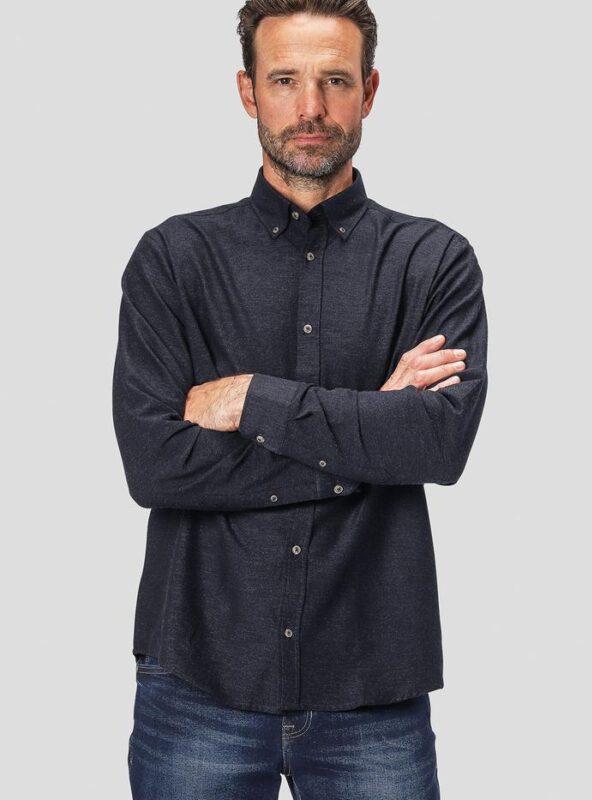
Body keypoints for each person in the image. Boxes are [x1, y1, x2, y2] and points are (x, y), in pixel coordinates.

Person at [112, 2, 488, 798]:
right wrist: (367, 429)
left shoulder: (433, 262)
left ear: (370, 91)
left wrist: (253, 399)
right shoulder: (173, 259)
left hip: (373, 686)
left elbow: (436, 446)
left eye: (335, 81)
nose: (310, 107)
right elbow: (156, 465)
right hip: (198, 682)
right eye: (285, 80)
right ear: (248, 90)